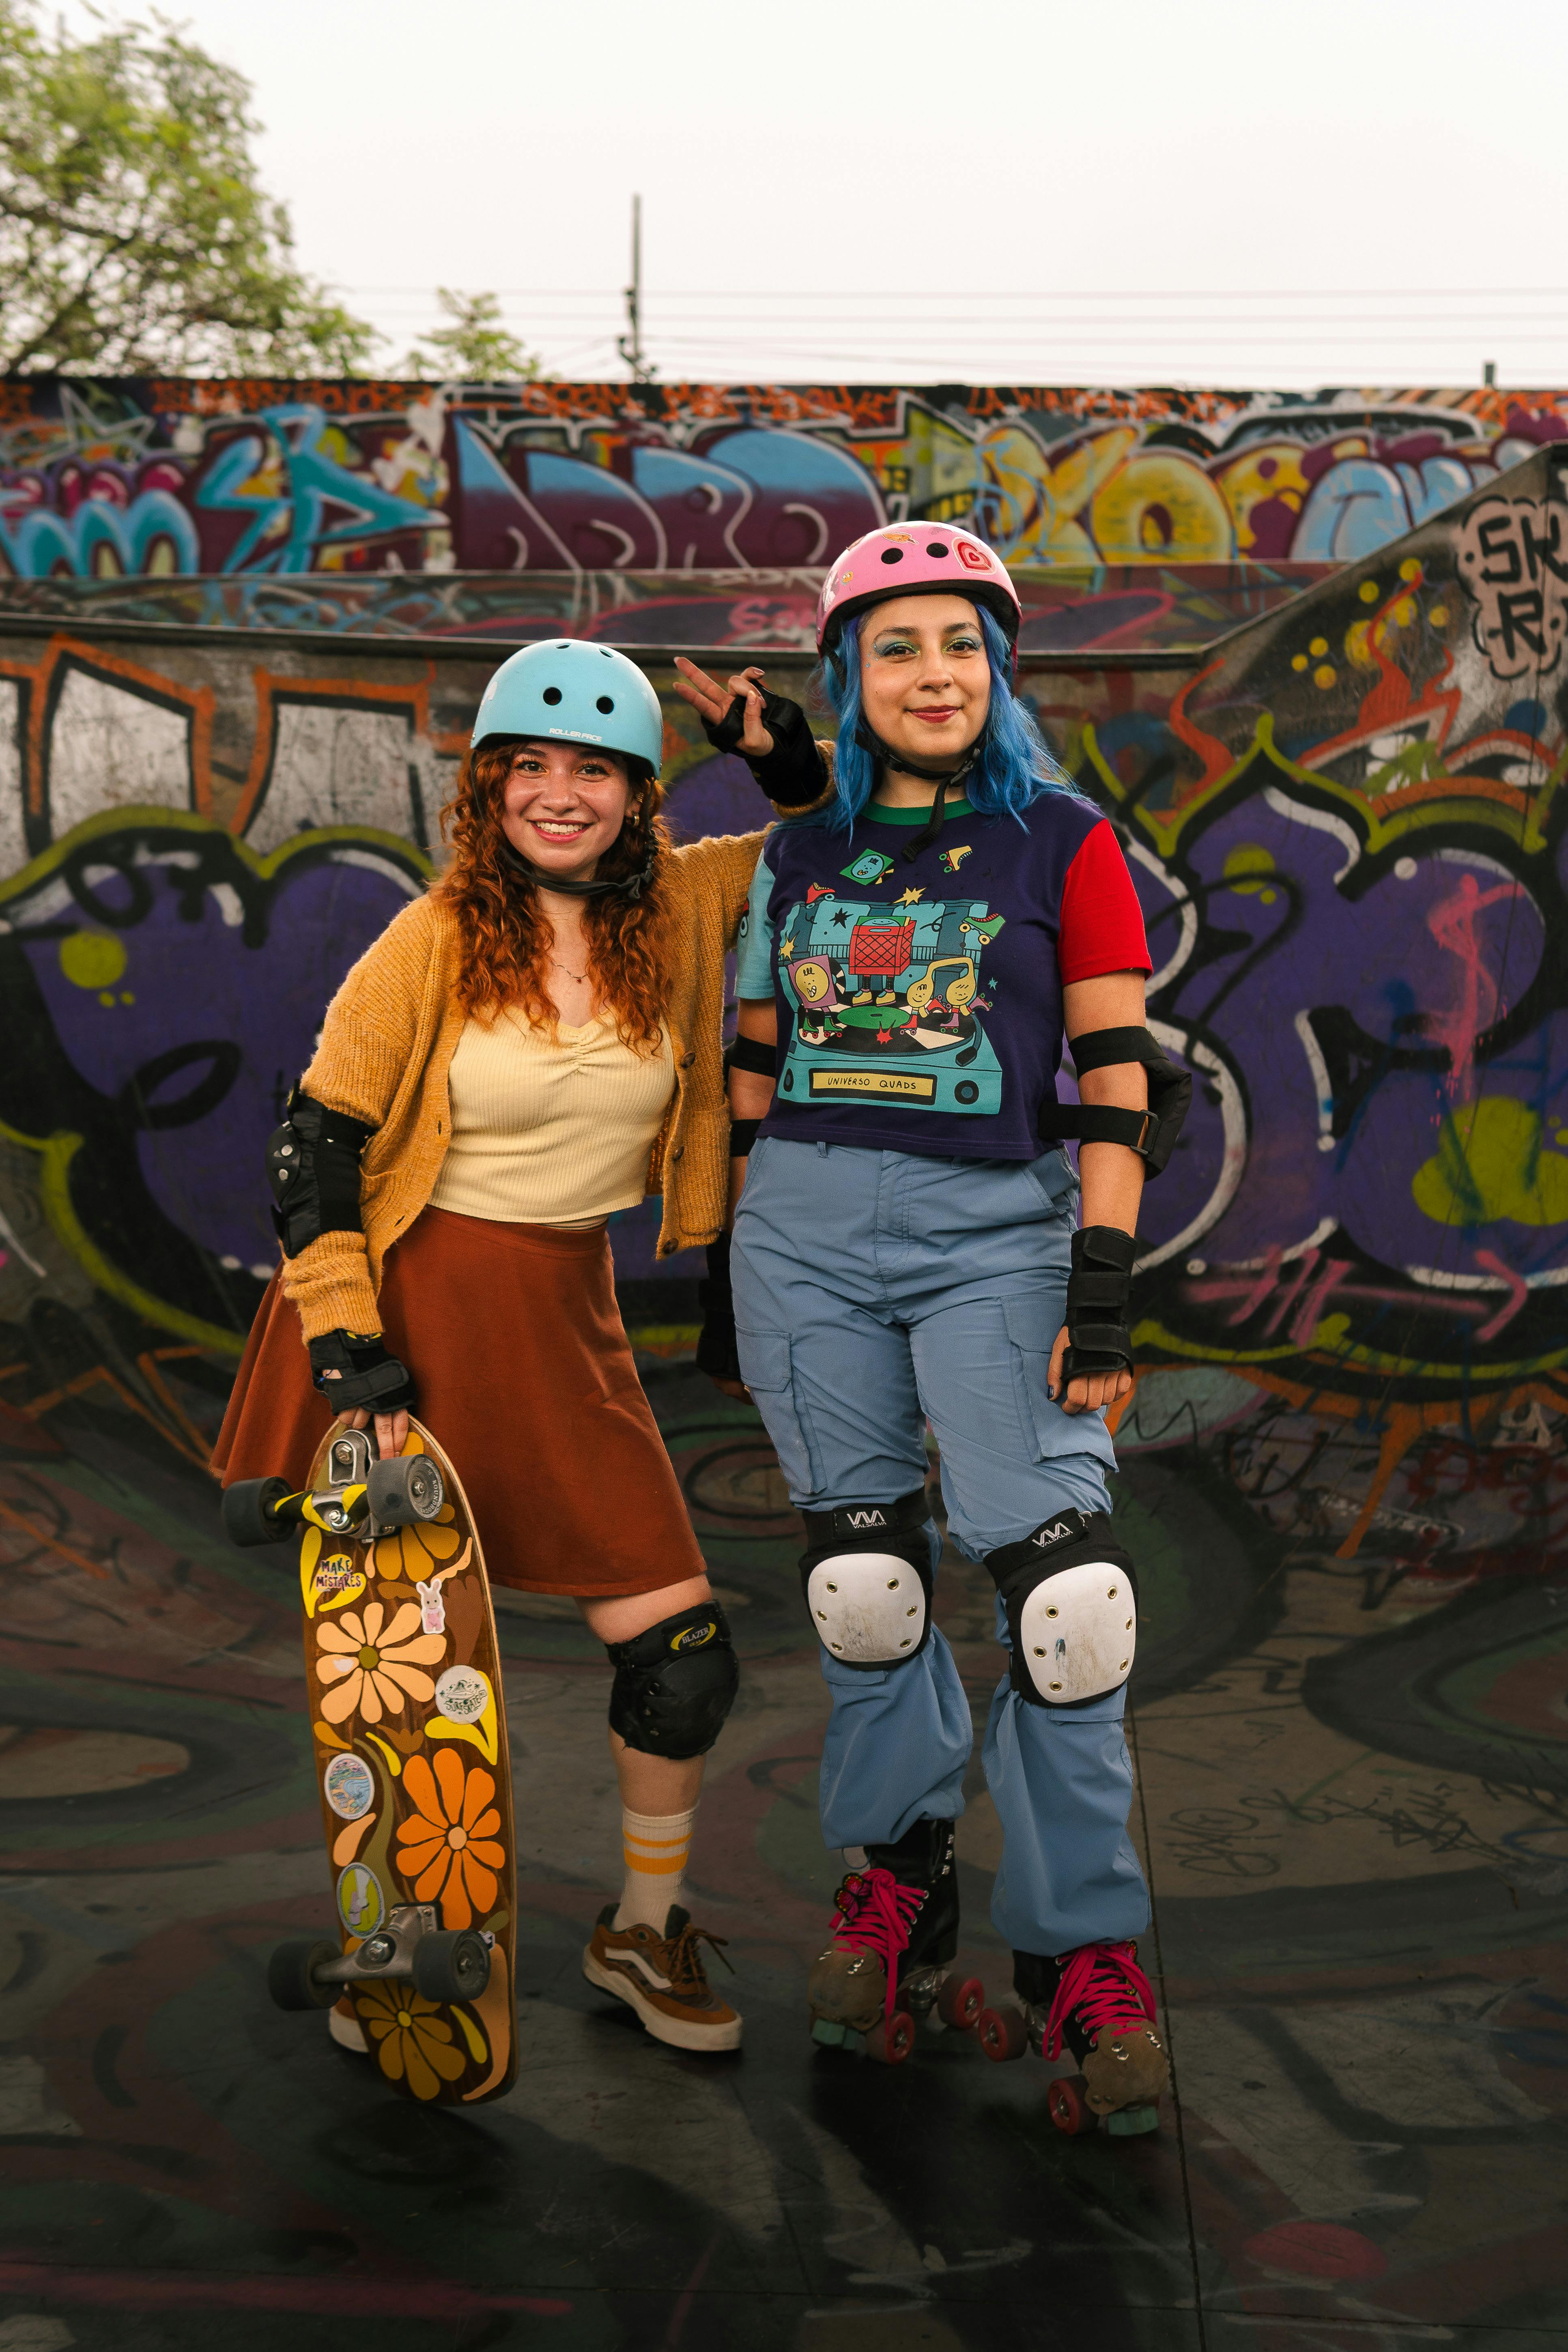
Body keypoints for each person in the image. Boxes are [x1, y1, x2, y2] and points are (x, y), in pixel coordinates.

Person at [214, 636, 825, 2056]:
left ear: (635, 793)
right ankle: (398, 1952)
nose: (560, 795)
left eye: (594, 769)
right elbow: (317, 1149)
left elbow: (836, 845)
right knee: (406, 1680)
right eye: (530, 768)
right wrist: (349, 1353)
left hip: (560, 1314)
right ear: (487, 789)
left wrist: (775, 749)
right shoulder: (428, 938)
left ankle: (641, 1929)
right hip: (403, 1304)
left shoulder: (685, 905)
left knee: (680, 1656)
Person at [696, 523, 1189, 2117]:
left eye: (960, 644)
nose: (932, 673)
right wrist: (729, 1260)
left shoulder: (1063, 843)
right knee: (863, 1586)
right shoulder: (797, 854)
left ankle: (1079, 1953)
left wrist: (1100, 1289)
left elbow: (1117, 1083)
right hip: (807, 1238)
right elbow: (753, 1071)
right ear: (850, 675)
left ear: (999, 668)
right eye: (896, 646)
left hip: (999, 1235)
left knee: (1068, 1604)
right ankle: (898, 1880)